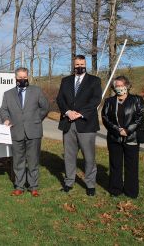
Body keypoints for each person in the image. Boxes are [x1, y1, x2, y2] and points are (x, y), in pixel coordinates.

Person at [56, 54, 102, 196]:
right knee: (69, 156)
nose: (80, 67)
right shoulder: (66, 81)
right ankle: (69, 182)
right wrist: (68, 112)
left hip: (86, 124)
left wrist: (80, 113)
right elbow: (60, 99)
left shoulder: (94, 81)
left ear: (85, 64)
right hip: (68, 123)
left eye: (82, 64)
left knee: (89, 157)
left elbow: (95, 100)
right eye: (77, 64)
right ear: (73, 65)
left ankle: (90, 184)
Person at [0, 67, 49, 197]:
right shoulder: (8, 94)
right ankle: (19, 186)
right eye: (20, 77)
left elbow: (45, 107)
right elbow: (3, 110)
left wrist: (37, 119)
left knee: (33, 160)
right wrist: (6, 119)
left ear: (28, 77)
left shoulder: (36, 91)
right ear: (15, 78)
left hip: (34, 131)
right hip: (16, 131)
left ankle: (33, 186)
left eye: (24, 77)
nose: (22, 80)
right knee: (18, 160)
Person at [101, 75, 144, 198]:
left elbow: (140, 117)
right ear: (114, 88)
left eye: (121, 85)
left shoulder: (137, 100)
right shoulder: (109, 101)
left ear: (127, 86)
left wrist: (128, 130)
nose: (119, 88)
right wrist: (117, 129)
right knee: (115, 165)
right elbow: (105, 118)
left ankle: (131, 191)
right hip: (114, 138)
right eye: (117, 86)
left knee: (131, 166)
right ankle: (115, 190)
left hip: (131, 138)